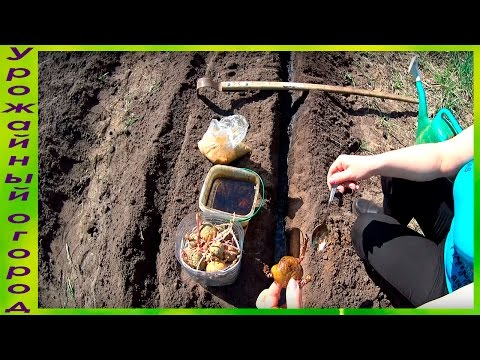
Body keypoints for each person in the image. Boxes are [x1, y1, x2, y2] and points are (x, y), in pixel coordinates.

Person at [326, 125, 473, 308]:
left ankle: (403, 297)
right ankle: (390, 222)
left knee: (364, 231)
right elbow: (445, 156)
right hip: (458, 220)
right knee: (395, 175)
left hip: (457, 287)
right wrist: (371, 165)